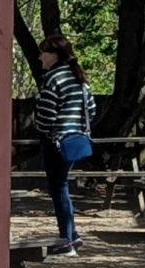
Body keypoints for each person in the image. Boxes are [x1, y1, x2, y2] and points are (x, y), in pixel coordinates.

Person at [29, 35, 97, 254]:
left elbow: (46, 116)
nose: (40, 57)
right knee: (62, 185)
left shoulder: (53, 79)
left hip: (55, 142)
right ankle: (73, 235)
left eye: (43, 52)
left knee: (58, 188)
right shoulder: (80, 79)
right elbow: (92, 110)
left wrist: (42, 129)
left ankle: (66, 240)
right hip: (75, 141)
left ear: (54, 54)